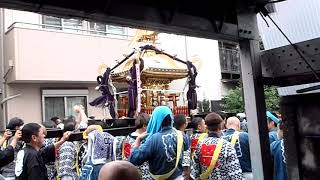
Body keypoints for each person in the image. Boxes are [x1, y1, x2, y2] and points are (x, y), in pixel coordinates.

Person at [129, 106, 189, 180]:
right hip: (179, 177)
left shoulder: (153, 139)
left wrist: (138, 140)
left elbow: (134, 159)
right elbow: (187, 153)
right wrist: (186, 170)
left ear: (155, 119)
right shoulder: (181, 135)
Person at [191, 112, 243, 180]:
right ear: (221, 126)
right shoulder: (227, 146)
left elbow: (195, 173)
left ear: (206, 126)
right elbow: (236, 175)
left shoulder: (199, 145)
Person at [122, 113, 151, 179]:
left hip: (132, 173)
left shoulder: (127, 138)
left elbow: (126, 157)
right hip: (146, 174)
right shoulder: (146, 139)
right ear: (144, 126)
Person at [173, 114, 191, 180]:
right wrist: (186, 170)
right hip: (180, 170)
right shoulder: (184, 136)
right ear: (184, 124)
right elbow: (186, 154)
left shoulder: (171, 135)